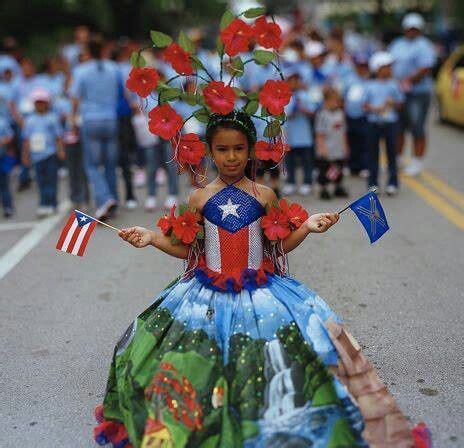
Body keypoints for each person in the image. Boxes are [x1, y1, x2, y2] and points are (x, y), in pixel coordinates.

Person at [94, 109, 421, 447]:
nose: (231, 157)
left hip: (262, 291)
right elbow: (189, 251)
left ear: (250, 150)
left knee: (278, 359)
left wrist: (307, 226)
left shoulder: (264, 195)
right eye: (222, 149)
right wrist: (151, 238)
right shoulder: (199, 197)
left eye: (238, 148)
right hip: (207, 292)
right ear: (210, 151)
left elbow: (277, 246)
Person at [71, 37, 121, 220]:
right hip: (110, 118)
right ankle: (113, 201)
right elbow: (123, 93)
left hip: (91, 119)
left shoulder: (81, 71)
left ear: (88, 51)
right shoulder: (113, 68)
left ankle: (104, 199)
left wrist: (72, 121)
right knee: (109, 164)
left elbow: (75, 99)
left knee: (92, 165)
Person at [389, 12, 436, 176]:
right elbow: (389, 63)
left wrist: (408, 81)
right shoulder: (397, 44)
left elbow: (426, 67)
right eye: (409, 28)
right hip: (399, 92)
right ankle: (398, 159)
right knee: (398, 127)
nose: (412, 31)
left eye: (415, 29)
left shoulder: (424, 45)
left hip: (417, 93)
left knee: (417, 126)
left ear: (420, 29)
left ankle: (417, 161)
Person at [364, 52, 404, 195]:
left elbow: (400, 104)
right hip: (373, 123)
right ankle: (373, 183)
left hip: (390, 123)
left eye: (389, 67)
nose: (388, 70)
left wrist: (393, 103)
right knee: (373, 154)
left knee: (391, 153)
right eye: (385, 67)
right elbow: (364, 105)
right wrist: (375, 109)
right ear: (377, 68)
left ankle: (392, 182)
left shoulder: (394, 85)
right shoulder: (370, 85)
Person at [21, 88, 65, 217]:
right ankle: (43, 203)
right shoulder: (29, 120)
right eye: (37, 102)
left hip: (50, 153)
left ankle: (52, 203)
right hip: (37, 156)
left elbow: (58, 137)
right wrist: (25, 155)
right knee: (40, 181)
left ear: (47, 103)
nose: (40, 105)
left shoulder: (52, 118)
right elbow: (26, 139)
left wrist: (60, 150)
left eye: (42, 102)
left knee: (52, 179)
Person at [282, 67, 316, 197]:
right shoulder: (283, 97)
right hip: (290, 135)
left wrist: (303, 109)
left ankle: (307, 182)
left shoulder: (305, 95)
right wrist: (293, 110)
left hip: (304, 135)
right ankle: (290, 182)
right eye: (292, 80)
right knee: (289, 160)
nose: (295, 82)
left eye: (297, 80)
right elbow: (283, 115)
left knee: (306, 160)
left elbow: (312, 112)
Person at [315, 87, 349, 200]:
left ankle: (337, 186)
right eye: (334, 101)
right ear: (326, 101)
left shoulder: (340, 113)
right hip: (327, 147)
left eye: (337, 101)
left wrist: (345, 146)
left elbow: (343, 131)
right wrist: (321, 147)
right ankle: (323, 188)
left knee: (338, 168)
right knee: (325, 169)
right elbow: (319, 134)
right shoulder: (322, 115)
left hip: (338, 147)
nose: (336, 103)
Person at [343, 54, 370, 177]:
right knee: (351, 140)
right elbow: (343, 96)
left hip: (364, 116)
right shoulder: (349, 79)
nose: (362, 69)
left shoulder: (369, 80)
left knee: (364, 141)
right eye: (360, 66)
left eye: (365, 66)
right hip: (350, 115)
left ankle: (364, 166)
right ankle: (352, 165)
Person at [0, 115, 14, 217]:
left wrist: (2, 141)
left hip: (1, 158)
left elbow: (10, 136)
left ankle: (8, 207)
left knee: (4, 184)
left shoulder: (2, 121)